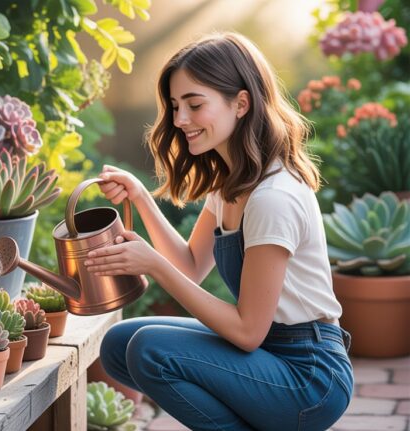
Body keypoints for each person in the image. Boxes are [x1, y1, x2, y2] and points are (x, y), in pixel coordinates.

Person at [87, 32, 353, 431]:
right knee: (119, 343)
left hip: (309, 377)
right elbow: (191, 266)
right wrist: (141, 198)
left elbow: (247, 331)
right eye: (176, 106)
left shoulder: (273, 197)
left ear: (241, 103)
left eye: (195, 105)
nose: (179, 121)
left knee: (149, 349)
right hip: (271, 355)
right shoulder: (232, 184)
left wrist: (154, 266)